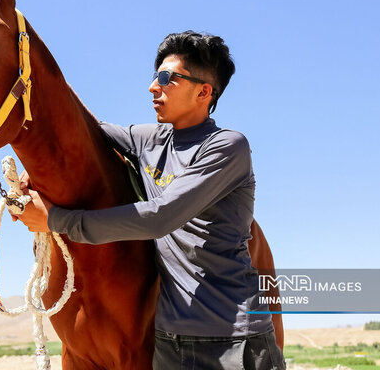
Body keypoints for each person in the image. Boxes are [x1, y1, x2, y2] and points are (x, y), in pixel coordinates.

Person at [16, 31, 285, 370]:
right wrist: (38, 173)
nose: (152, 87)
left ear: (204, 91)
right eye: (154, 76)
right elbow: (86, 129)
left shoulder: (227, 147)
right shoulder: (148, 139)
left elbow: (160, 216)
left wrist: (56, 220)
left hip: (234, 341)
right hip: (172, 343)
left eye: (166, 78)